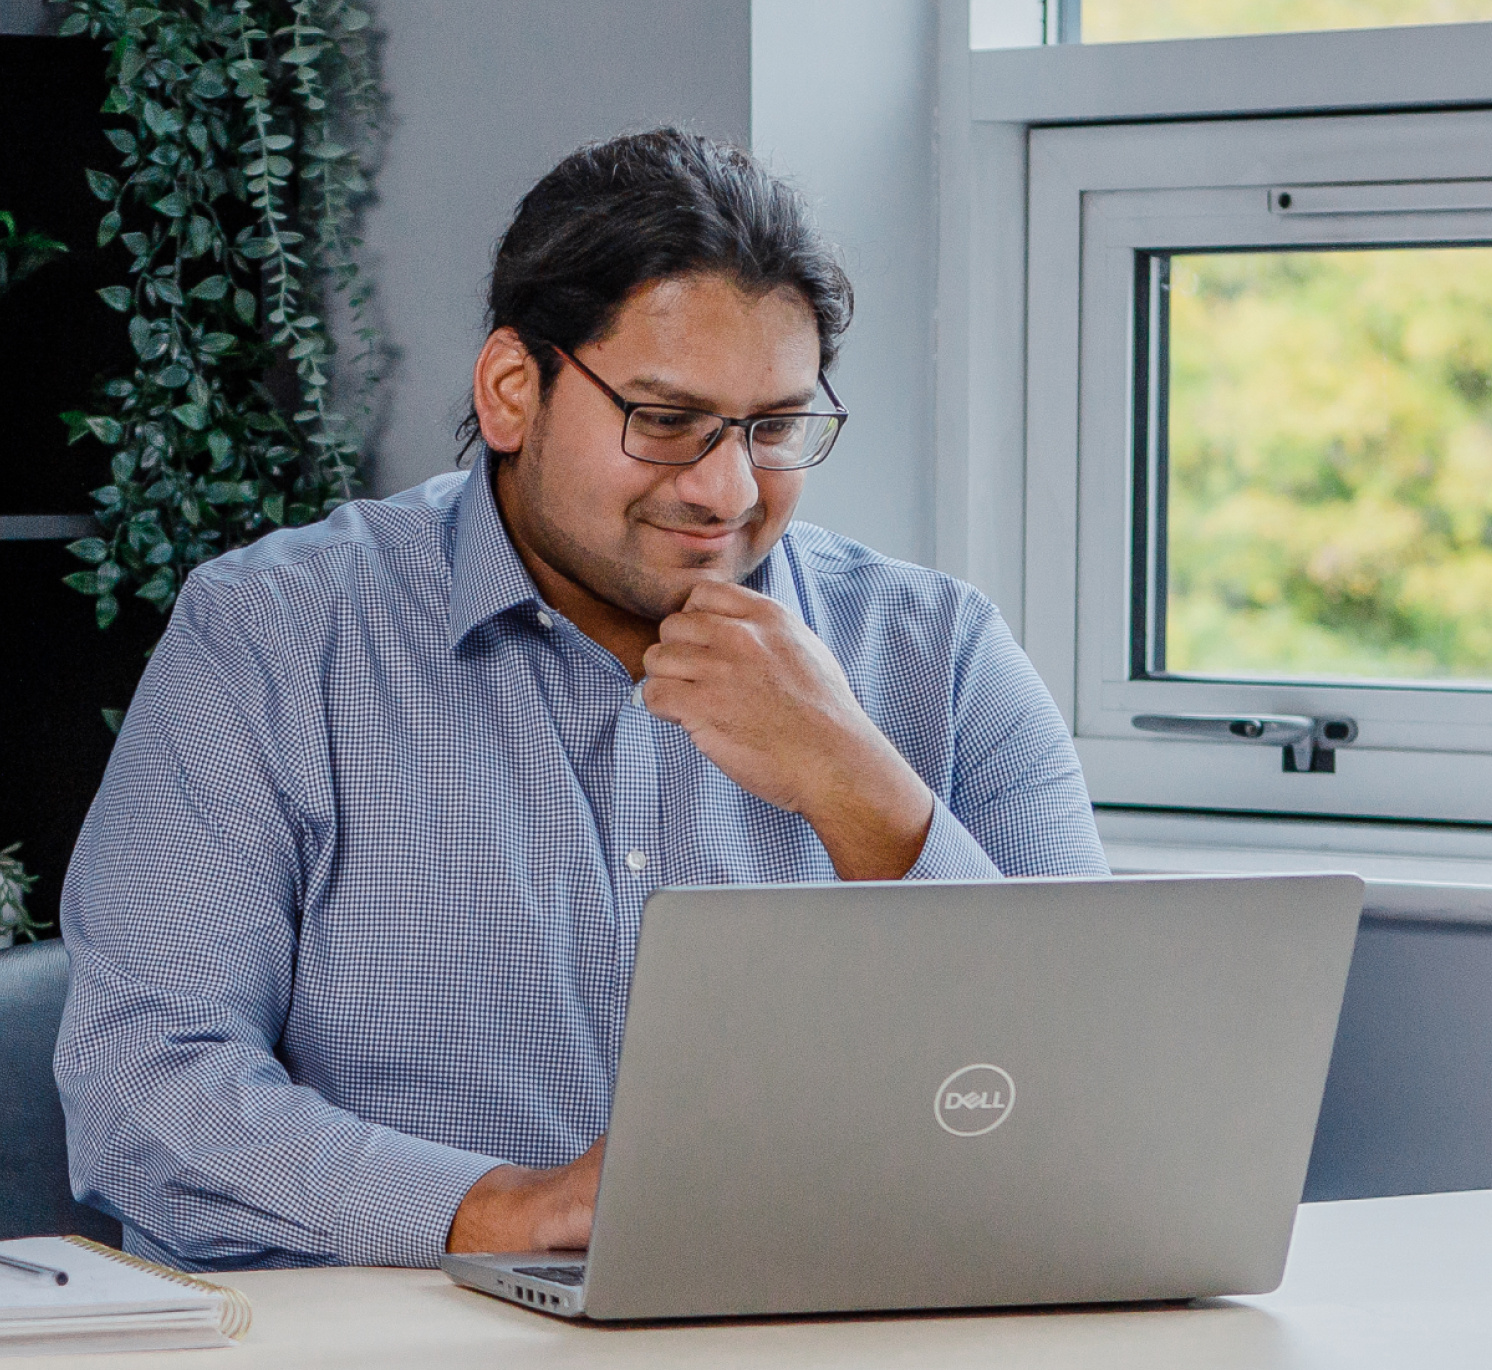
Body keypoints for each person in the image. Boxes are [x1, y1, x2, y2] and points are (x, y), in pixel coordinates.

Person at [55, 128, 1108, 1272]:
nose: (726, 489)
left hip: (824, 1325)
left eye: (774, 427)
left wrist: (855, 782)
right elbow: (145, 1082)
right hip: (394, 1335)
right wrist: (499, 1211)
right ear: (514, 390)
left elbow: (1086, 1105)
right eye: (663, 420)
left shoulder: (940, 653)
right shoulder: (272, 635)